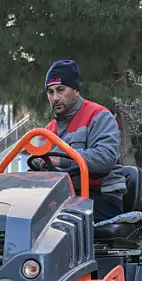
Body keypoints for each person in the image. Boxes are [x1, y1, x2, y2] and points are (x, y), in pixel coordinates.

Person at [42, 59, 126, 222]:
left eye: (60, 90)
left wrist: (61, 159)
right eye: (50, 92)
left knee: (62, 222)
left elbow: (105, 157)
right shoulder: (48, 131)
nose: (55, 98)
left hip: (102, 196)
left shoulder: (99, 116)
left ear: (76, 89)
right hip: (67, 199)